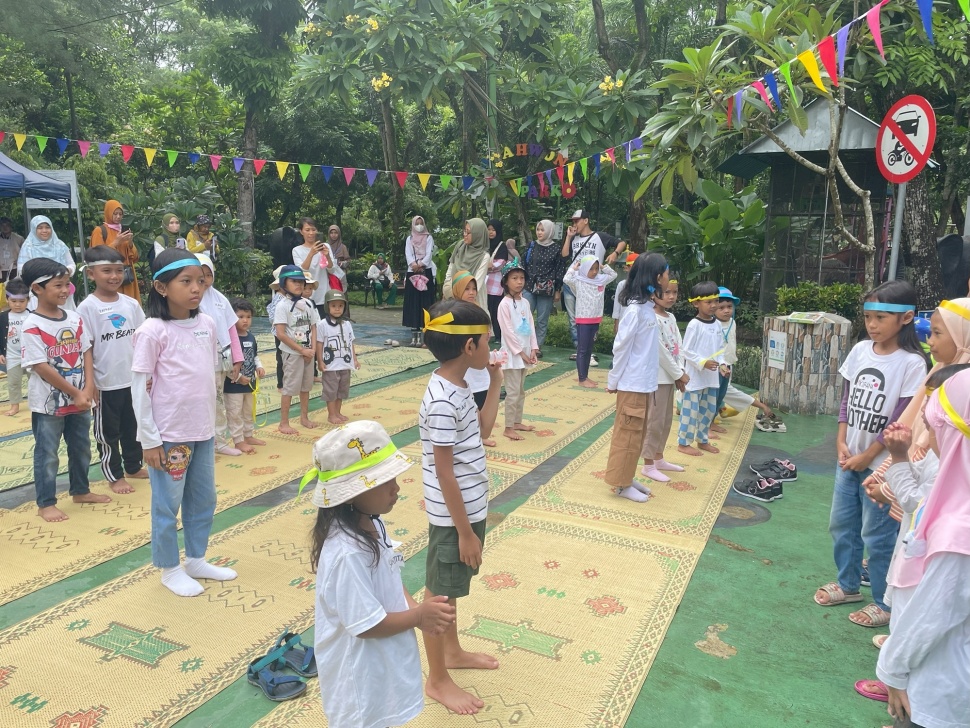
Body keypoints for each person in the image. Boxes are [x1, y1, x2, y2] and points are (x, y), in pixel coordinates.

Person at [308, 421, 455, 728]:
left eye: (394, 477)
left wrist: (416, 608)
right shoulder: (347, 553)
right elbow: (364, 625)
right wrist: (418, 618)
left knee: (384, 714)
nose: (396, 488)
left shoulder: (371, 524)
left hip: (379, 659)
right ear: (349, 494)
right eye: (382, 481)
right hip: (358, 676)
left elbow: (390, 573)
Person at [814, 280, 929, 631]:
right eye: (868, 317)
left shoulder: (912, 364)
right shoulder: (861, 350)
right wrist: (841, 441)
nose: (872, 324)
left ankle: (883, 601)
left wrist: (869, 456)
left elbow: (900, 417)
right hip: (848, 458)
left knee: (877, 536)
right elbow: (847, 400)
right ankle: (848, 585)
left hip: (882, 467)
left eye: (881, 317)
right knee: (842, 524)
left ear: (906, 318)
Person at [855, 363, 970, 705]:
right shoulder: (943, 459)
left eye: (935, 422)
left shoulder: (958, 528)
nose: (927, 430)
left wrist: (892, 672)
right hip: (936, 674)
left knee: (911, 625)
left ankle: (895, 688)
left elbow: (933, 613)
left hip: (938, 691)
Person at [131, 248, 238, 596]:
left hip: (202, 429)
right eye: (186, 281)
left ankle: (195, 558)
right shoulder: (152, 331)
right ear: (162, 288)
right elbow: (139, 387)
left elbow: (205, 375)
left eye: (200, 281)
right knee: (167, 504)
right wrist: (148, 438)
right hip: (170, 433)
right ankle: (169, 567)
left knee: (203, 497)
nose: (196, 288)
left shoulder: (206, 323)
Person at [419, 299, 502, 714]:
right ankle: (437, 679)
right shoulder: (441, 401)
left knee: (450, 588)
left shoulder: (460, 386)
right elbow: (444, 472)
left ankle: (451, 652)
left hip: (467, 509)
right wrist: (466, 531)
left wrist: (496, 380)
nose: (491, 346)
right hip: (454, 517)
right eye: (488, 340)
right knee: (438, 593)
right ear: (469, 347)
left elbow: (485, 429)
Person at [20, 257, 110, 522]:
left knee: (81, 446)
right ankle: (46, 502)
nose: (64, 291)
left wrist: (89, 387)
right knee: (47, 453)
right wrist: (75, 392)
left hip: (81, 400)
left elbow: (86, 352)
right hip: (49, 405)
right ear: (37, 289)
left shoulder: (74, 318)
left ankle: (80, 490)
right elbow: (40, 366)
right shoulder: (32, 325)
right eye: (58, 285)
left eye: (67, 285)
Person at [76, 246, 147, 494]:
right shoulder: (87, 307)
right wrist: (90, 383)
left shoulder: (130, 304)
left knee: (134, 426)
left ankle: (133, 465)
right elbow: (86, 347)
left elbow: (142, 339)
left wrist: (147, 375)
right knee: (108, 433)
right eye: (107, 271)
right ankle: (114, 475)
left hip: (132, 379)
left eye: (119, 270)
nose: (114, 276)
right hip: (106, 383)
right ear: (91, 274)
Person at [603, 254, 666, 503]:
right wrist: (613, 380)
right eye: (666, 272)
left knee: (637, 434)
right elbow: (621, 348)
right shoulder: (634, 312)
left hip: (645, 384)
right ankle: (620, 484)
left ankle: (626, 477)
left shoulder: (647, 309)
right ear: (655, 276)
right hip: (632, 384)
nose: (669, 277)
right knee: (627, 435)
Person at [559, 209, 627, 363]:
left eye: (577, 220)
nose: (574, 224)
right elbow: (564, 255)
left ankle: (587, 350)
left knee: (591, 318)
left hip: (592, 284)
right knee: (573, 319)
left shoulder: (599, 237)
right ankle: (580, 350)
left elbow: (622, 242)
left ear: (586, 220)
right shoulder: (574, 239)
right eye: (573, 221)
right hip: (574, 282)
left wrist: (615, 253)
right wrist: (568, 237)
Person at [641, 275, 689, 482]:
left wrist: (679, 371)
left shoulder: (670, 317)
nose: (671, 296)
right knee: (654, 420)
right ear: (653, 293)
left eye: (674, 292)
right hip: (658, 377)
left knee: (666, 420)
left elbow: (679, 346)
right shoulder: (650, 317)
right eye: (666, 292)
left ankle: (659, 457)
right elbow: (659, 351)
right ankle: (648, 463)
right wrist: (678, 373)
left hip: (671, 376)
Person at [197, 255, 244, 456]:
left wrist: (238, 358)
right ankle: (203, 440)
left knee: (218, 401)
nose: (205, 279)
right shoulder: (190, 297)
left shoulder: (219, 299)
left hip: (220, 360)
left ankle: (219, 441)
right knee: (202, 401)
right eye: (200, 275)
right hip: (198, 360)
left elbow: (231, 329)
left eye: (208, 275)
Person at [713, 287, 776, 429]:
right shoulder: (712, 325)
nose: (726, 310)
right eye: (721, 307)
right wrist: (760, 405)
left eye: (729, 306)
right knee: (721, 391)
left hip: (728, 363)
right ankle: (708, 421)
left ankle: (720, 409)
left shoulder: (732, 323)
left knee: (720, 392)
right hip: (717, 365)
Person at [452, 270, 501, 447]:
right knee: (467, 399)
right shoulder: (454, 314)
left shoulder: (479, 309)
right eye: (467, 289)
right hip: (464, 364)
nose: (472, 292)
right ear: (457, 290)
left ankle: (481, 434)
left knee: (482, 396)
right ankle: (471, 434)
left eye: (474, 288)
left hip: (480, 361)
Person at [677, 281, 726, 457]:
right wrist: (703, 362)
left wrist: (723, 363)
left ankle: (702, 439)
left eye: (716, 301)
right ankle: (683, 442)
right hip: (694, 378)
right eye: (708, 302)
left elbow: (720, 348)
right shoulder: (694, 325)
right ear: (696, 303)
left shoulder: (717, 324)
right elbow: (686, 350)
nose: (713, 305)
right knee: (690, 412)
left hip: (711, 378)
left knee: (708, 410)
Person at [274, 265, 319, 435]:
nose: (299, 285)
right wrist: (301, 350)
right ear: (284, 284)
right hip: (293, 353)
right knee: (290, 388)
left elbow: (314, 327)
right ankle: (283, 422)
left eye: (301, 282)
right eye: (294, 281)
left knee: (306, 387)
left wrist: (312, 350)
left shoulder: (308, 304)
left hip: (308, 353)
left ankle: (304, 417)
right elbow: (280, 333)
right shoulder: (282, 306)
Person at [497, 259, 538, 441]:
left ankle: (517, 422)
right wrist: (520, 352)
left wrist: (533, 348)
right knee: (512, 392)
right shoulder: (504, 304)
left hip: (525, 353)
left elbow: (530, 326)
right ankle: (508, 427)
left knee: (520, 390)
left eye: (522, 278)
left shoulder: (526, 302)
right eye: (514, 278)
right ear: (506, 281)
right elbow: (507, 331)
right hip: (513, 355)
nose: (519, 281)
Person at [562, 255, 617, 388]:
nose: (594, 272)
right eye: (591, 268)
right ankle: (582, 378)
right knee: (582, 349)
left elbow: (613, 274)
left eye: (596, 268)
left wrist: (604, 267)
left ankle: (585, 376)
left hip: (595, 319)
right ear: (584, 268)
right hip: (584, 320)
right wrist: (574, 268)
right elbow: (566, 279)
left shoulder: (601, 280)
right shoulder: (578, 280)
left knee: (589, 349)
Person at [224, 298, 266, 455]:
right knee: (235, 413)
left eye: (248, 317)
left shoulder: (251, 337)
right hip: (233, 386)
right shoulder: (228, 339)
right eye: (240, 316)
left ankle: (248, 435)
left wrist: (259, 367)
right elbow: (226, 362)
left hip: (250, 384)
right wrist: (238, 376)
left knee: (248, 411)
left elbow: (255, 356)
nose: (245, 320)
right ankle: (238, 440)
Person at [18, 215, 77, 311]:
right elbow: (22, 269)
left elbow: (71, 264)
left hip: (61, 289)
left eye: (47, 227)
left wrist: (65, 271)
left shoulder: (59, 245)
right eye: (40, 228)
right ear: (34, 230)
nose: (44, 231)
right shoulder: (28, 246)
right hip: (39, 291)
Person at [316, 289, 358, 425]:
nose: (337, 309)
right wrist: (320, 361)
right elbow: (319, 344)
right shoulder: (322, 325)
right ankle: (331, 414)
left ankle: (338, 412)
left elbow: (351, 342)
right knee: (331, 390)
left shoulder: (347, 324)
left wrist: (355, 359)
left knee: (342, 389)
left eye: (340, 306)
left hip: (345, 364)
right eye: (333, 306)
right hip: (330, 365)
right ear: (327, 307)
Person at [521, 218, 562, 356]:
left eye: (542, 230)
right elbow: (523, 264)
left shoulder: (556, 248)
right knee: (525, 317)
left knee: (542, 319)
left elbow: (559, 270)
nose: (539, 232)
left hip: (547, 288)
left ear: (549, 231)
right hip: (529, 285)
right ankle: (523, 345)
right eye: (538, 229)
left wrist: (557, 290)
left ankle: (536, 347)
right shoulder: (531, 245)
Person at [89, 200, 140, 302]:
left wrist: (130, 243)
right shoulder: (99, 231)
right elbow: (96, 256)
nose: (118, 217)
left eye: (120, 214)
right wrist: (115, 243)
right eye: (115, 213)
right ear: (108, 213)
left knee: (130, 306)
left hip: (127, 276)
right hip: (111, 276)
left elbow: (134, 258)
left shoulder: (123, 230)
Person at [292, 217, 342, 317]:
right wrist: (311, 253)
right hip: (305, 297)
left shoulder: (325, 246)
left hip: (324, 295)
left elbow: (332, 270)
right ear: (301, 232)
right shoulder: (296, 250)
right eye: (307, 230)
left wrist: (327, 255)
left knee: (325, 327)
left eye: (313, 229)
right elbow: (302, 272)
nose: (311, 233)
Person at [403, 215, 437, 347]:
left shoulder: (428, 238)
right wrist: (413, 265)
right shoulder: (409, 239)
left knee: (425, 302)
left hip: (425, 271)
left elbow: (429, 254)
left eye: (421, 223)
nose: (419, 225)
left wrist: (421, 264)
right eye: (416, 223)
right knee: (413, 302)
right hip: (412, 271)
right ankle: (414, 334)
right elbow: (408, 254)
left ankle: (425, 333)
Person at [442, 218, 489, 311]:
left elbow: (477, 283)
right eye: (464, 231)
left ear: (477, 234)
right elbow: (450, 270)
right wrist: (447, 290)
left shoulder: (484, 256)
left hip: (473, 297)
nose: (465, 235)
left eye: (468, 232)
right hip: (453, 295)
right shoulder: (460, 246)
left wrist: (463, 294)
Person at [0, 278, 29, 416]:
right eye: (14, 301)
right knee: (13, 382)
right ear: (7, 299)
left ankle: (37, 402)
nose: (18, 305)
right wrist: (1, 352)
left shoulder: (32, 315)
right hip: (12, 356)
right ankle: (14, 405)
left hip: (30, 356)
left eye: (22, 301)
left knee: (36, 380)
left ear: (28, 300)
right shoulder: (3, 317)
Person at [485, 219, 509, 342]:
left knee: (496, 312)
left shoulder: (502, 246)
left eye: (493, 230)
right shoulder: (484, 245)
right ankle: (488, 335)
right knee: (486, 310)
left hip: (496, 285)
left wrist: (486, 266)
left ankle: (499, 336)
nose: (490, 232)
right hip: (484, 284)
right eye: (488, 229)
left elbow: (499, 264)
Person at [0, 217, 23, 299]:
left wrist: (19, 261)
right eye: (2, 225)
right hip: (1, 269)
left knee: (14, 289)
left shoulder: (19, 239)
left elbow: (24, 253)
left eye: (7, 225)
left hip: (14, 268)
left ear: (11, 226)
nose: (5, 227)